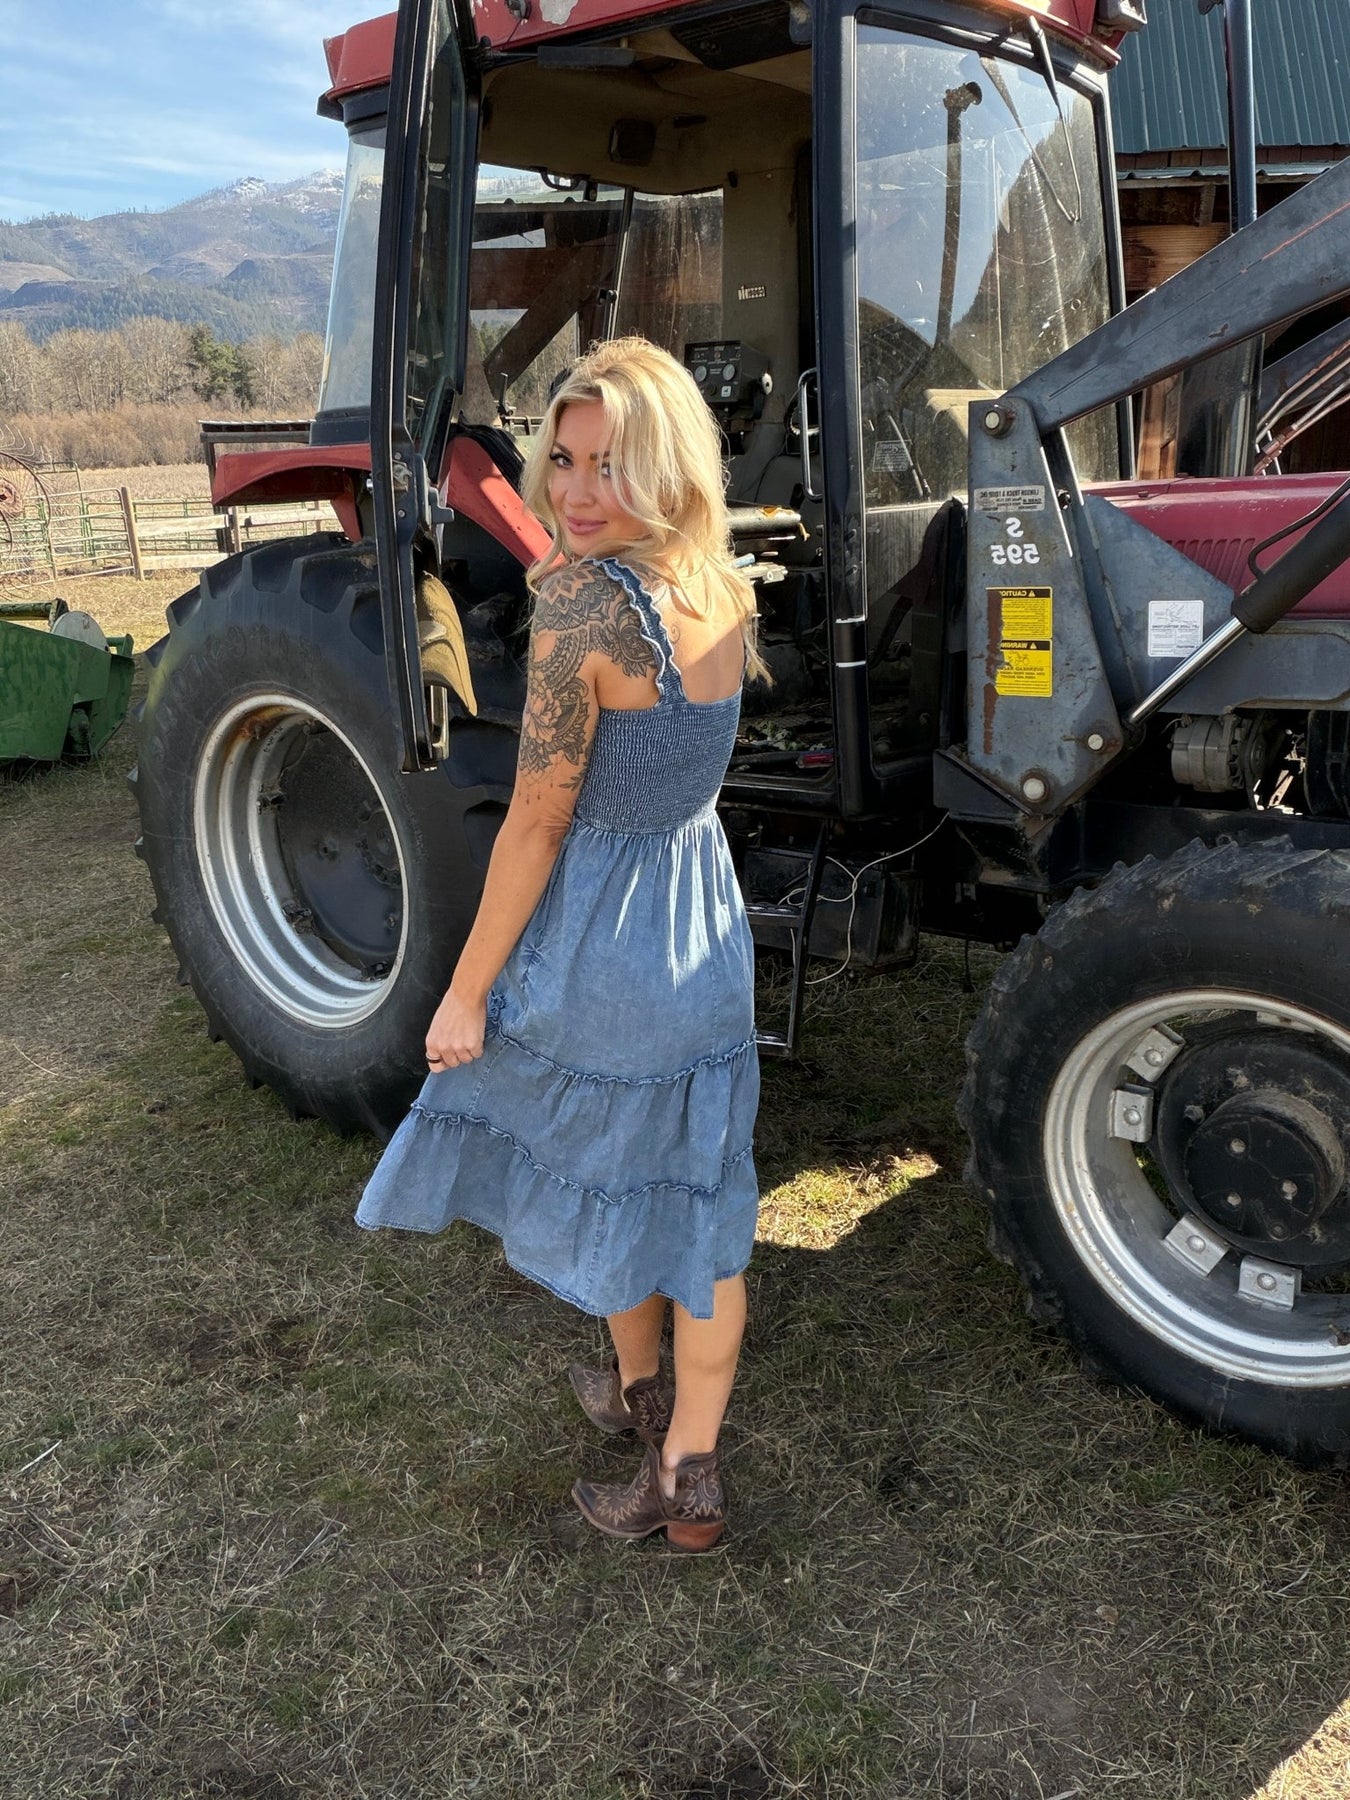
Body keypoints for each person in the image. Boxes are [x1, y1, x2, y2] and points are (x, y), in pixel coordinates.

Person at [355, 335, 767, 1551]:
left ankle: (655, 1425)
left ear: (668, 466)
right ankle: (684, 1463)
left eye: (609, 465)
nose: (576, 492)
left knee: (609, 1170)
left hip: (608, 942)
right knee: (696, 1194)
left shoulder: (585, 607)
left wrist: (464, 993)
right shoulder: (726, 587)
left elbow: (537, 822)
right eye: (566, 461)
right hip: (705, 931)